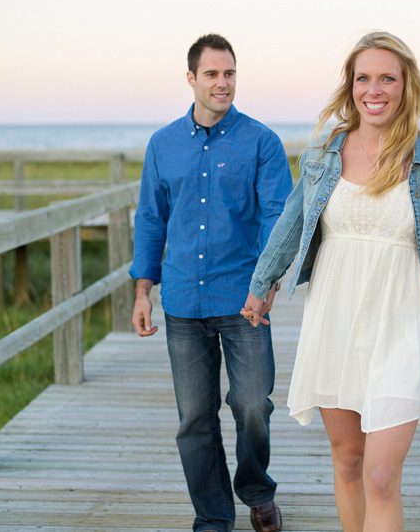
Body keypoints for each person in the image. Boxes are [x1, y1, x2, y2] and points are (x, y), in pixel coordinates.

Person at [242, 31, 420, 530]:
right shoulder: (325, 155)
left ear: (407, 86)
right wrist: (262, 282)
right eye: (363, 77)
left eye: (388, 78)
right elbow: (291, 224)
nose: (375, 89)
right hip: (335, 324)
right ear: (350, 87)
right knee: (347, 463)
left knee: (382, 476)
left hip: (402, 330)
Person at [130, 33, 292, 532]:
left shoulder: (262, 142)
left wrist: (267, 284)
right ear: (191, 79)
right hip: (182, 299)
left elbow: (278, 218)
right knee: (195, 421)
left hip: (245, 300)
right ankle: (213, 516)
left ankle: (257, 491)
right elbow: (150, 219)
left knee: (251, 406)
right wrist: (143, 289)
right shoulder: (163, 144)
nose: (223, 83)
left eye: (230, 74)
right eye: (213, 74)